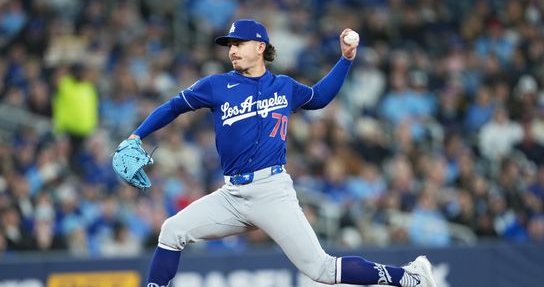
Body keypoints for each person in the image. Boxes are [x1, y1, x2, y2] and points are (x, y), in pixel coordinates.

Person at [119, 19, 437, 287]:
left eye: (238, 43)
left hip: (272, 192)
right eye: (229, 45)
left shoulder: (284, 86)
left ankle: (411, 278)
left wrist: (346, 59)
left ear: (260, 47)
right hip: (232, 195)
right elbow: (174, 106)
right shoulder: (216, 85)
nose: (231, 50)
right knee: (172, 230)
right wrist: (136, 134)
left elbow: (320, 97)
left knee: (321, 269)